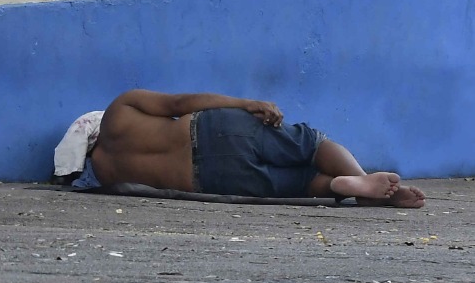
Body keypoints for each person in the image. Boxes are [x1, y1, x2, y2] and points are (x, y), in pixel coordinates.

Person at [78, 89, 425, 208]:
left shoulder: (106, 177)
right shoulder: (116, 113)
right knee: (309, 143)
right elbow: (179, 103)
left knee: (297, 184)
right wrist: (244, 103)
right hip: (213, 132)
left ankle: (339, 186)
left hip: (209, 179)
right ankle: (362, 180)